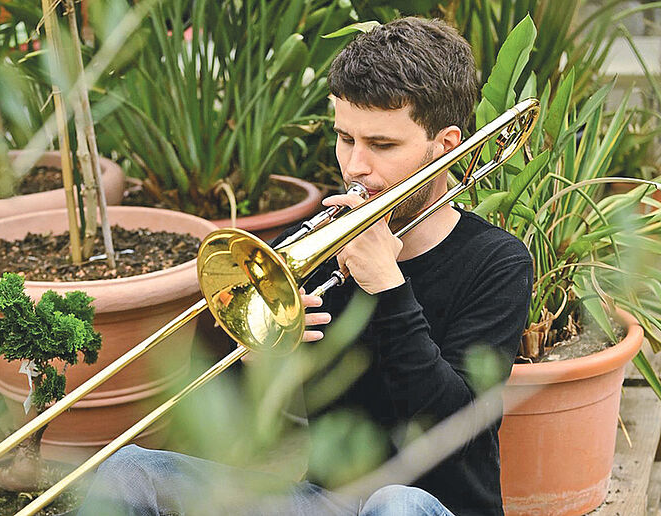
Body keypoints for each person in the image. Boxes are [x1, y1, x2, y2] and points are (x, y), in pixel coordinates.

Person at [79, 16, 533, 516]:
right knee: (130, 470)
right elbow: (224, 433)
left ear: (445, 145)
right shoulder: (310, 247)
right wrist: (257, 360)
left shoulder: (497, 262)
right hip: (327, 503)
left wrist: (388, 286)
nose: (355, 166)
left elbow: (452, 434)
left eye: (382, 145)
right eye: (345, 139)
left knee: (394, 504)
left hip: (432, 506)